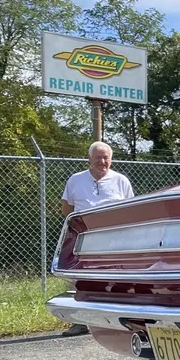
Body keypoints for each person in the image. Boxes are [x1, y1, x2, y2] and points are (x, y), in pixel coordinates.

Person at [58, 142, 135, 336]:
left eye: (106, 157)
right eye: (98, 158)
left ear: (111, 159)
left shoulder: (121, 181)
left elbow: (131, 210)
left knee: (116, 278)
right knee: (79, 277)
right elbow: (66, 209)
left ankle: (120, 319)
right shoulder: (75, 180)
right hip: (83, 237)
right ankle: (80, 322)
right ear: (89, 159)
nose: (102, 161)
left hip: (113, 238)